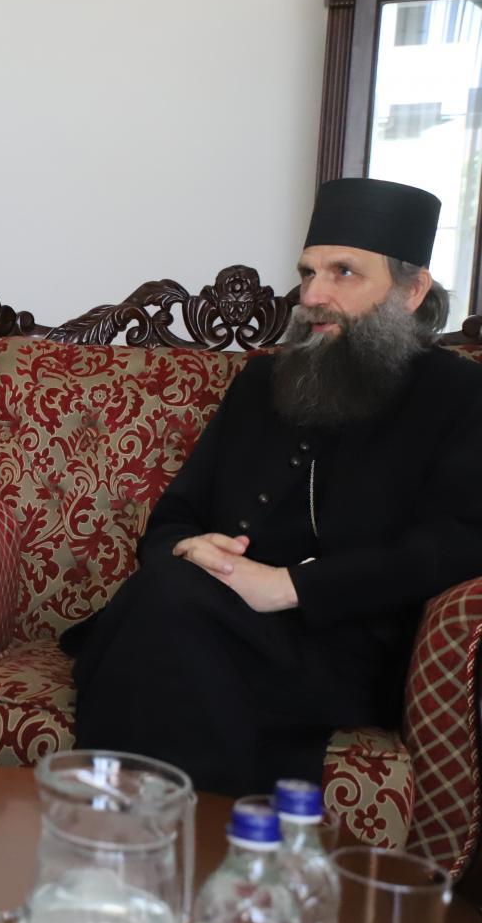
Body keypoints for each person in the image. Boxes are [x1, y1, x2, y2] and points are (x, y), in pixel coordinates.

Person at [69, 178, 482, 797]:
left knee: (163, 613)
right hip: (202, 613)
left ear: (412, 289)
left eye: (344, 273)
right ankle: (185, 839)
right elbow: (176, 513)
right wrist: (190, 549)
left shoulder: (458, 396)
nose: (312, 296)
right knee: (169, 598)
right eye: (308, 272)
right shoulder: (262, 384)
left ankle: (113, 828)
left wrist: (289, 587)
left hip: (343, 649)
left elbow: (460, 542)